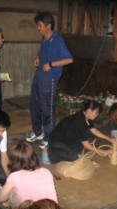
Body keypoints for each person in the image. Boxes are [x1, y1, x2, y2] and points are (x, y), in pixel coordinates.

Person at [27, 11, 73, 150]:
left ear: (48, 25)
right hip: (39, 75)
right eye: (38, 25)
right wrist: (38, 57)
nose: (38, 28)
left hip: (50, 79)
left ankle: (49, 137)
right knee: (34, 105)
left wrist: (51, 64)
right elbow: (42, 50)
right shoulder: (44, 38)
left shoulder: (57, 40)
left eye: (40, 25)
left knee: (48, 109)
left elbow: (69, 59)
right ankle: (37, 132)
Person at [48, 100, 113, 164]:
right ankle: (52, 154)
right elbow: (87, 145)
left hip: (65, 138)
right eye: (96, 113)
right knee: (74, 157)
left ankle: (63, 152)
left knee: (79, 148)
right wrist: (104, 151)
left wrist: (109, 138)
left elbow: (94, 130)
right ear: (89, 110)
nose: (97, 115)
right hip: (56, 142)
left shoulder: (85, 116)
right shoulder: (80, 121)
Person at [0, 140, 58, 208]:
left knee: (11, 193)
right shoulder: (46, 171)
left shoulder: (15, 176)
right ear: (34, 156)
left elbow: (0, 199)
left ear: (12, 161)